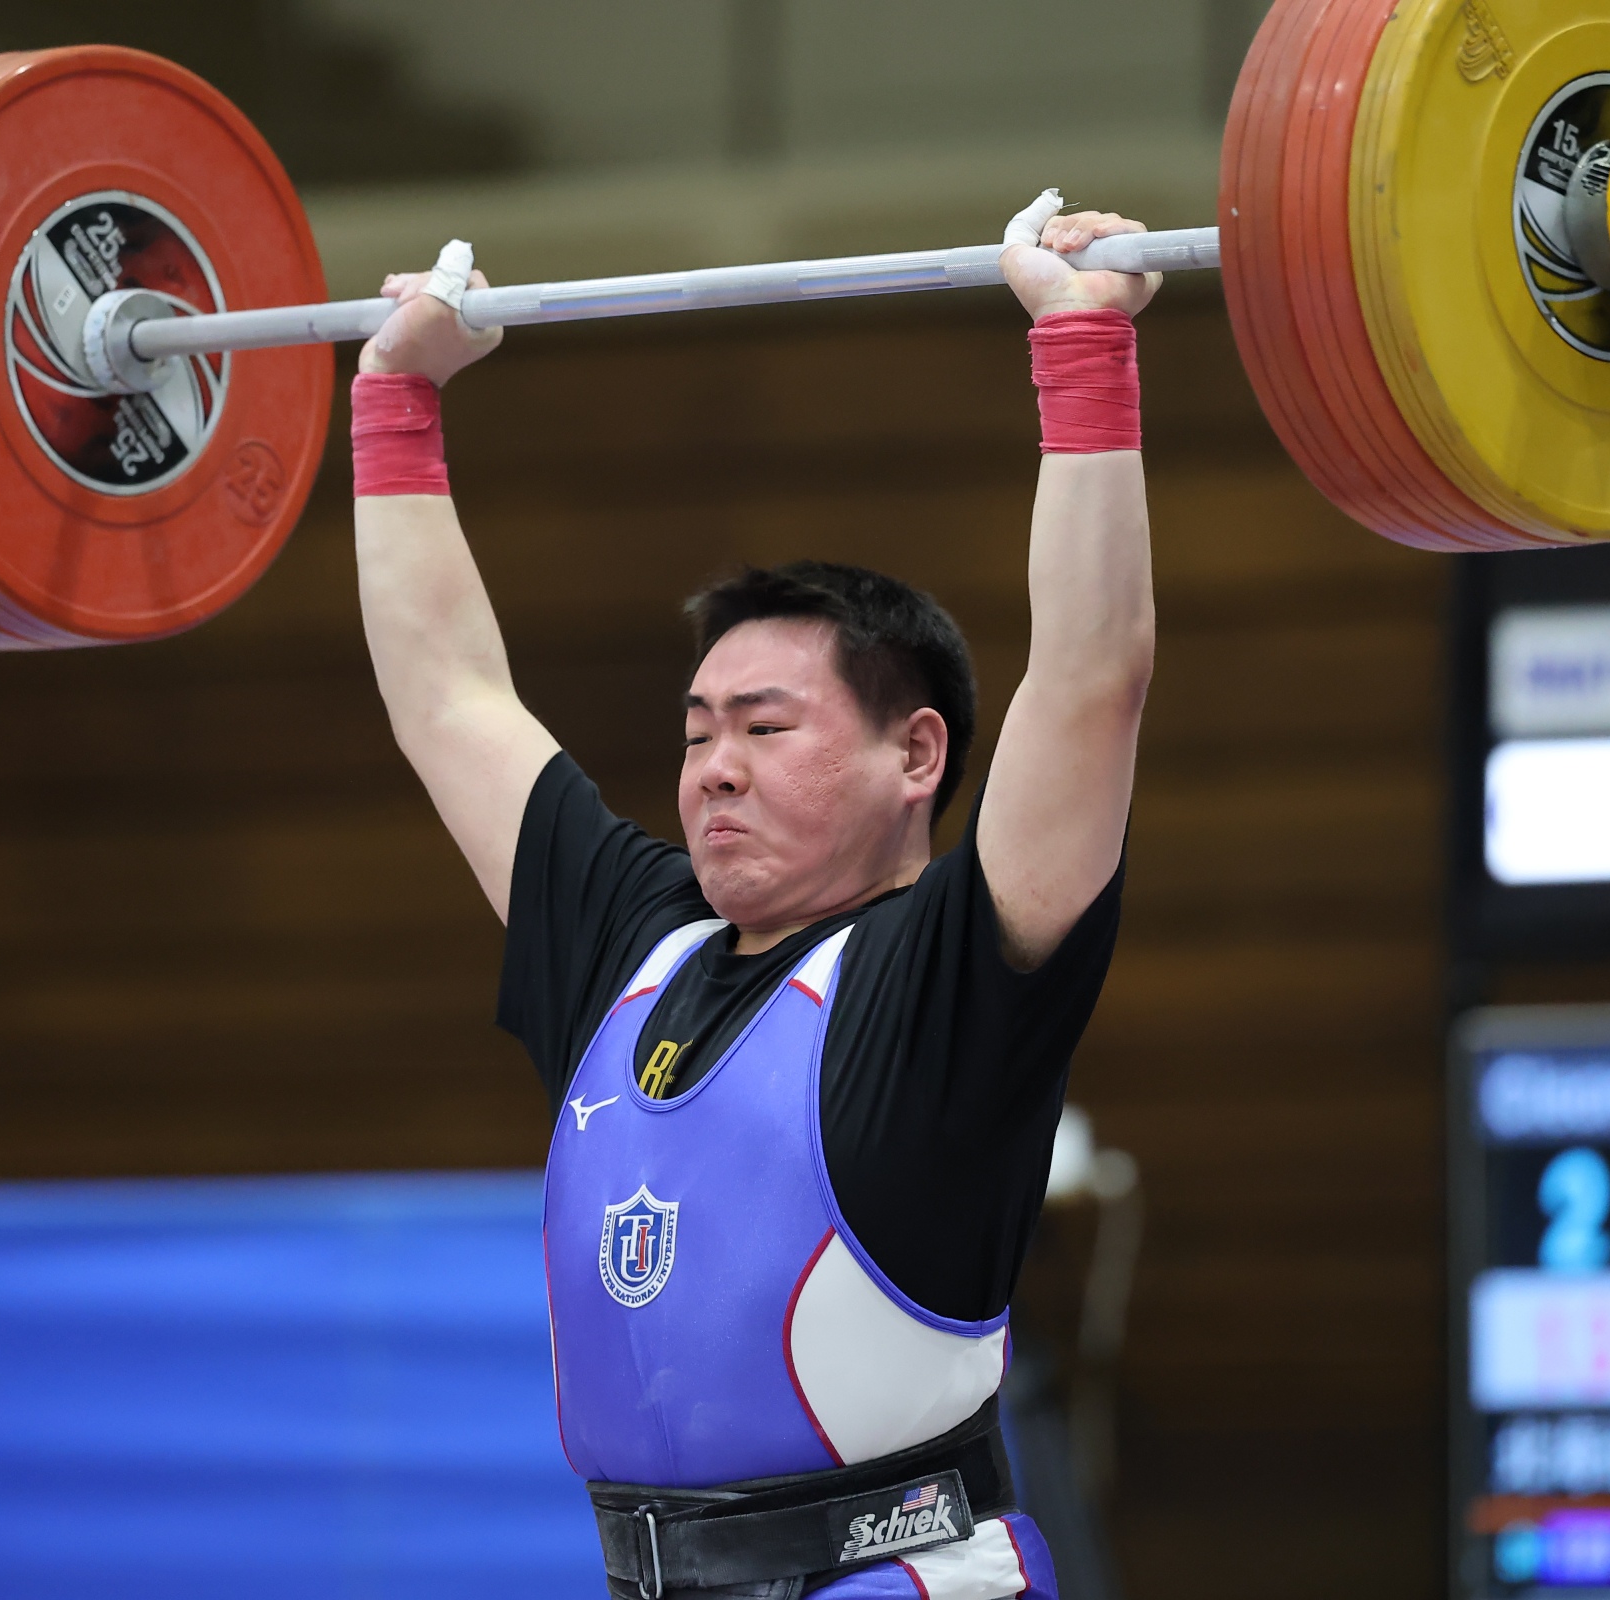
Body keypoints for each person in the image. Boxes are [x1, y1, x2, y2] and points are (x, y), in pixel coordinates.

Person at [351, 194, 1156, 1600]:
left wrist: (1082, 351)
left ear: (916, 757)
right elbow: (448, 698)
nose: (715, 767)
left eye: (767, 728)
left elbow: (1091, 681)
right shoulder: (635, 944)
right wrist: (394, 399)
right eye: (696, 733)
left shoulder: (949, 972)